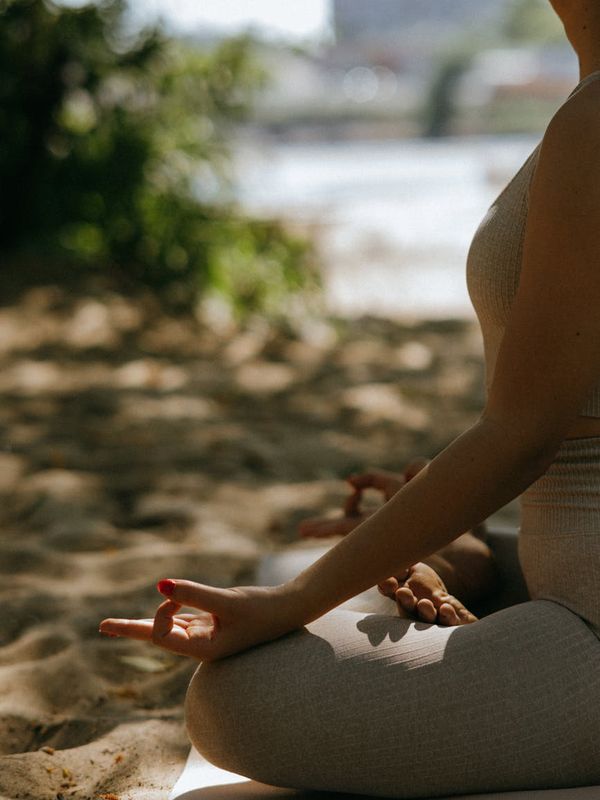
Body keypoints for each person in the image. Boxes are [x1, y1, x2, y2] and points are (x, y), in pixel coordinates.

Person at [100, 1, 600, 795]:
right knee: (337, 575)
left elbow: (524, 431)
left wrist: (289, 601)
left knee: (241, 695)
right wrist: (467, 548)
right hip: (561, 565)